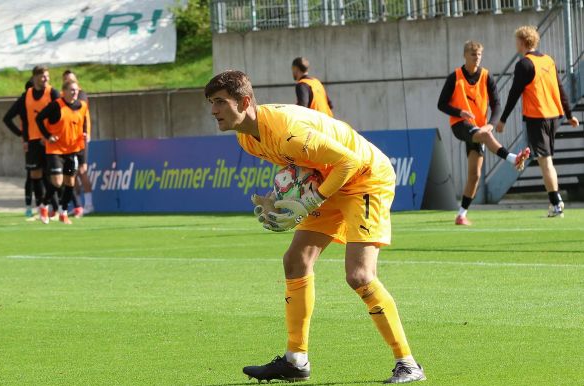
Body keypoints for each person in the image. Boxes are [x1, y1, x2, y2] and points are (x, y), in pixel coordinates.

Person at [204, 71, 426, 384]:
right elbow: (300, 167)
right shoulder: (247, 138)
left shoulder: (287, 131)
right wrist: (277, 197)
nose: (213, 110)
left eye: (220, 102)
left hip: (365, 177)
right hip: (330, 179)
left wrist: (311, 201)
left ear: (245, 101)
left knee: (359, 275)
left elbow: (348, 162)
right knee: (295, 261)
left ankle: (408, 363)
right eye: (211, 103)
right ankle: (296, 360)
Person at [438, 41, 531, 225]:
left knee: (475, 175)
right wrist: (459, 112)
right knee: (486, 136)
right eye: (473, 54)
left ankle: (461, 215)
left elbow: (496, 104)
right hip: (460, 125)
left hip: (479, 128)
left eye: (479, 54)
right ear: (465, 55)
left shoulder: (487, 76)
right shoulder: (455, 77)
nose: (477, 57)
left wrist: (490, 124)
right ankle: (513, 158)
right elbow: (441, 104)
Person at [497, 26, 579, 218]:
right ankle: (555, 202)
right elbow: (560, 89)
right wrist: (568, 115)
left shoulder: (524, 64)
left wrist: (502, 119)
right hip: (553, 116)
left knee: (545, 161)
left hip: (537, 116)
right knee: (547, 159)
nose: (515, 44)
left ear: (523, 42)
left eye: (517, 40)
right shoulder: (548, 60)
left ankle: (556, 203)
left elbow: (514, 93)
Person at [2, 65, 60, 223]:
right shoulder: (26, 96)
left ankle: (58, 207)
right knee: (35, 176)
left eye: (47, 76)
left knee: (56, 179)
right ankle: (43, 208)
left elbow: (62, 115)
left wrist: (50, 135)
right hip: (34, 142)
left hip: (51, 141)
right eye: (42, 76)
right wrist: (23, 135)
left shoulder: (53, 93)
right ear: (34, 78)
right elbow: (7, 118)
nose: (46, 79)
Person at [36, 80, 90, 225]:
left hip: (72, 151)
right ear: (64, 91)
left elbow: (83, 121)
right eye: (71, 90)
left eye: (76, 90)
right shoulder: (56, 105)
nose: (75, 92)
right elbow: (39, 118)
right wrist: (47, 136)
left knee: (70, 182)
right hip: (55, 150)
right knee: (58, 182)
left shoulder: (82, 106)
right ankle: (43, 205)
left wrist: (84, 133)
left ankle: (63, 212)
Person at [61, 70, 95, 216]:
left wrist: (86, 132)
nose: (69, 83)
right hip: (67, 140)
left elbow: (81, 114)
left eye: (71, 80)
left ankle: (89, 204)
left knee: (82, 171)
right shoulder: (63, 98)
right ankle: (77, 205)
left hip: (79, 138)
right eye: (66, 81)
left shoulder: (80, 95)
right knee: (71, 173)